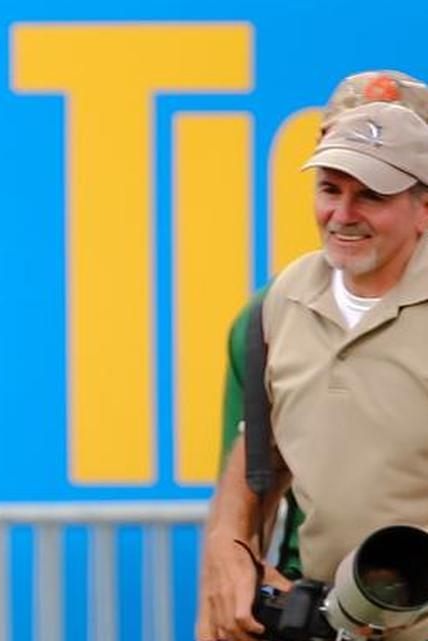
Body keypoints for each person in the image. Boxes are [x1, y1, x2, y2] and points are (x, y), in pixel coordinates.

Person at [197, 100, 428, 641]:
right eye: (330, 189)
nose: (343, 213)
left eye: (371, 194)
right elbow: (257, 457)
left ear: (423, 207)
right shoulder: (280, 303)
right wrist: (231, 547)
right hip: (324, 622)